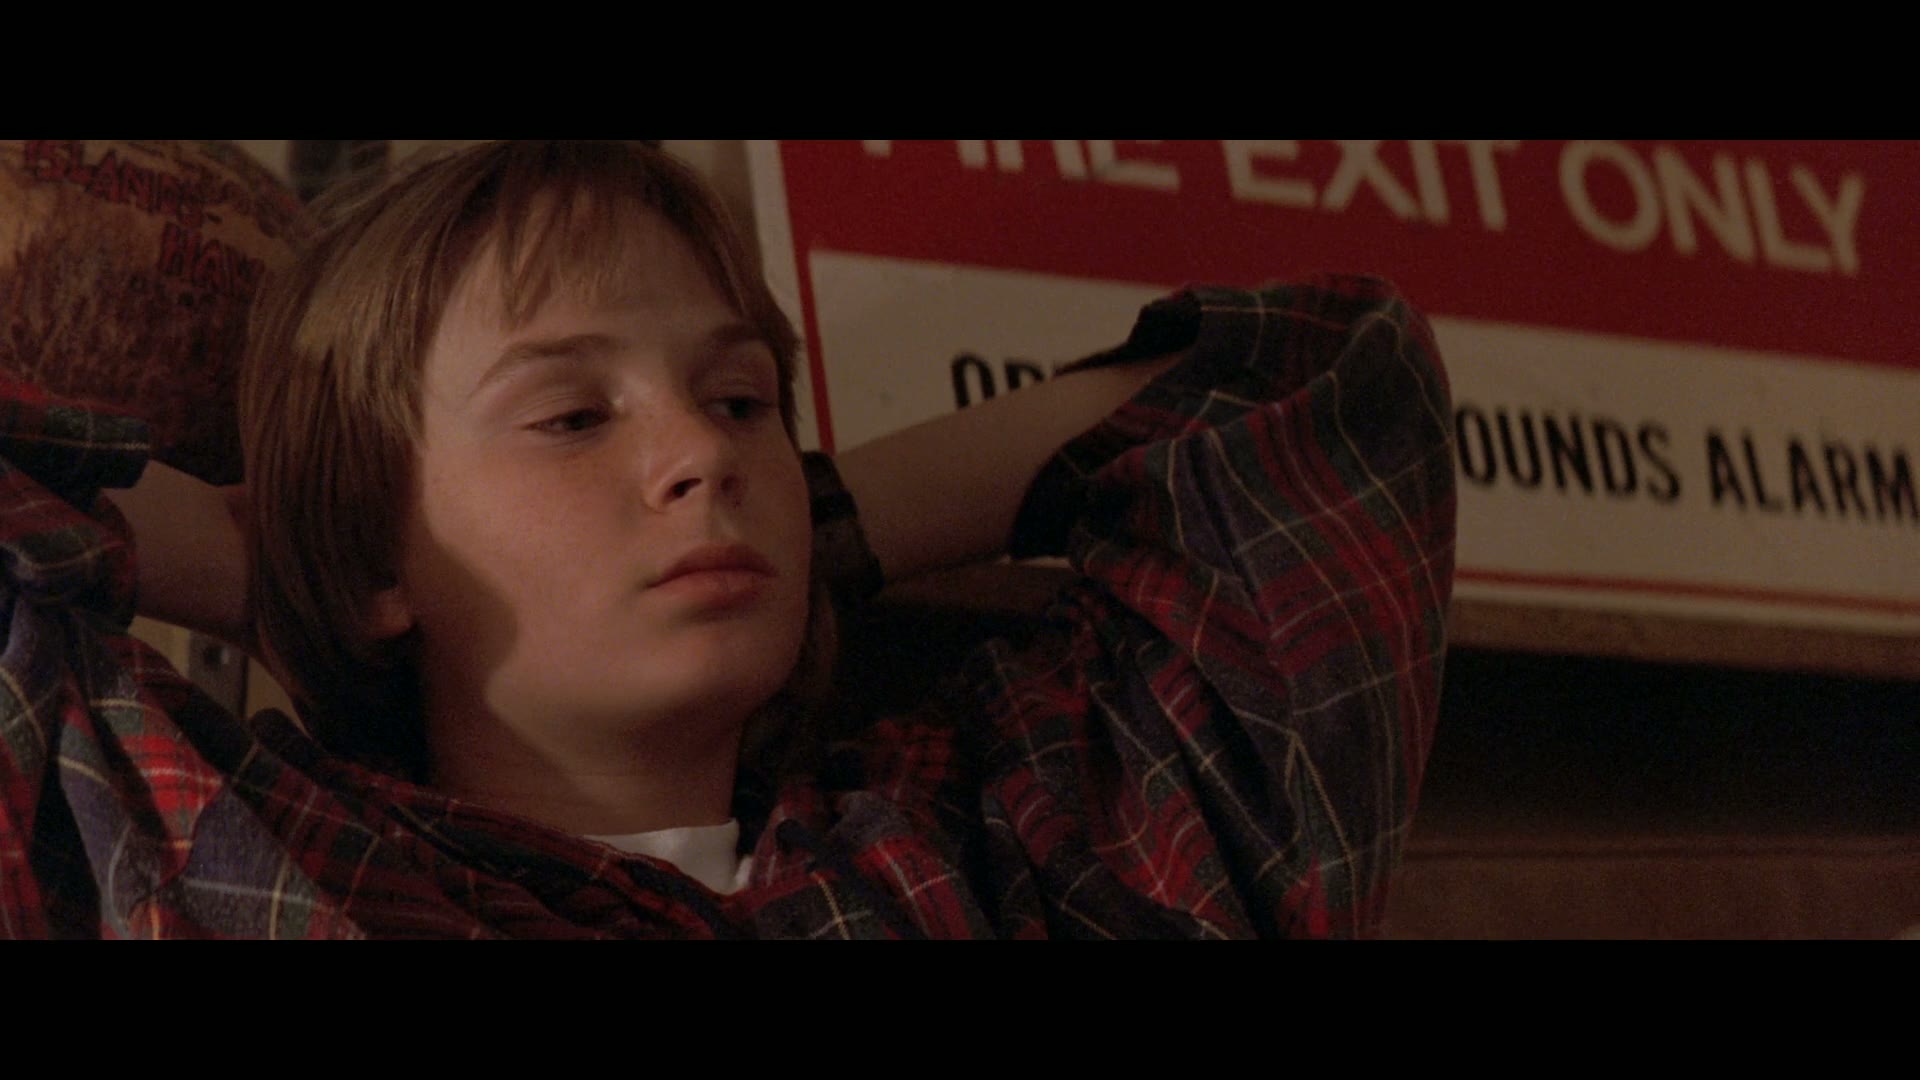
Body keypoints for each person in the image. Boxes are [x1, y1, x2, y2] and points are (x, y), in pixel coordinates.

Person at [0, 141, 1456, 938]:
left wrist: (819, 523)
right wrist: (286, 566)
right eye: (572, 416)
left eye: (740, 399)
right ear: (381, 546)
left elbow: (1330, 390)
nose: (703, 456)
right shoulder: (241, 860)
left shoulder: (1010, 853)